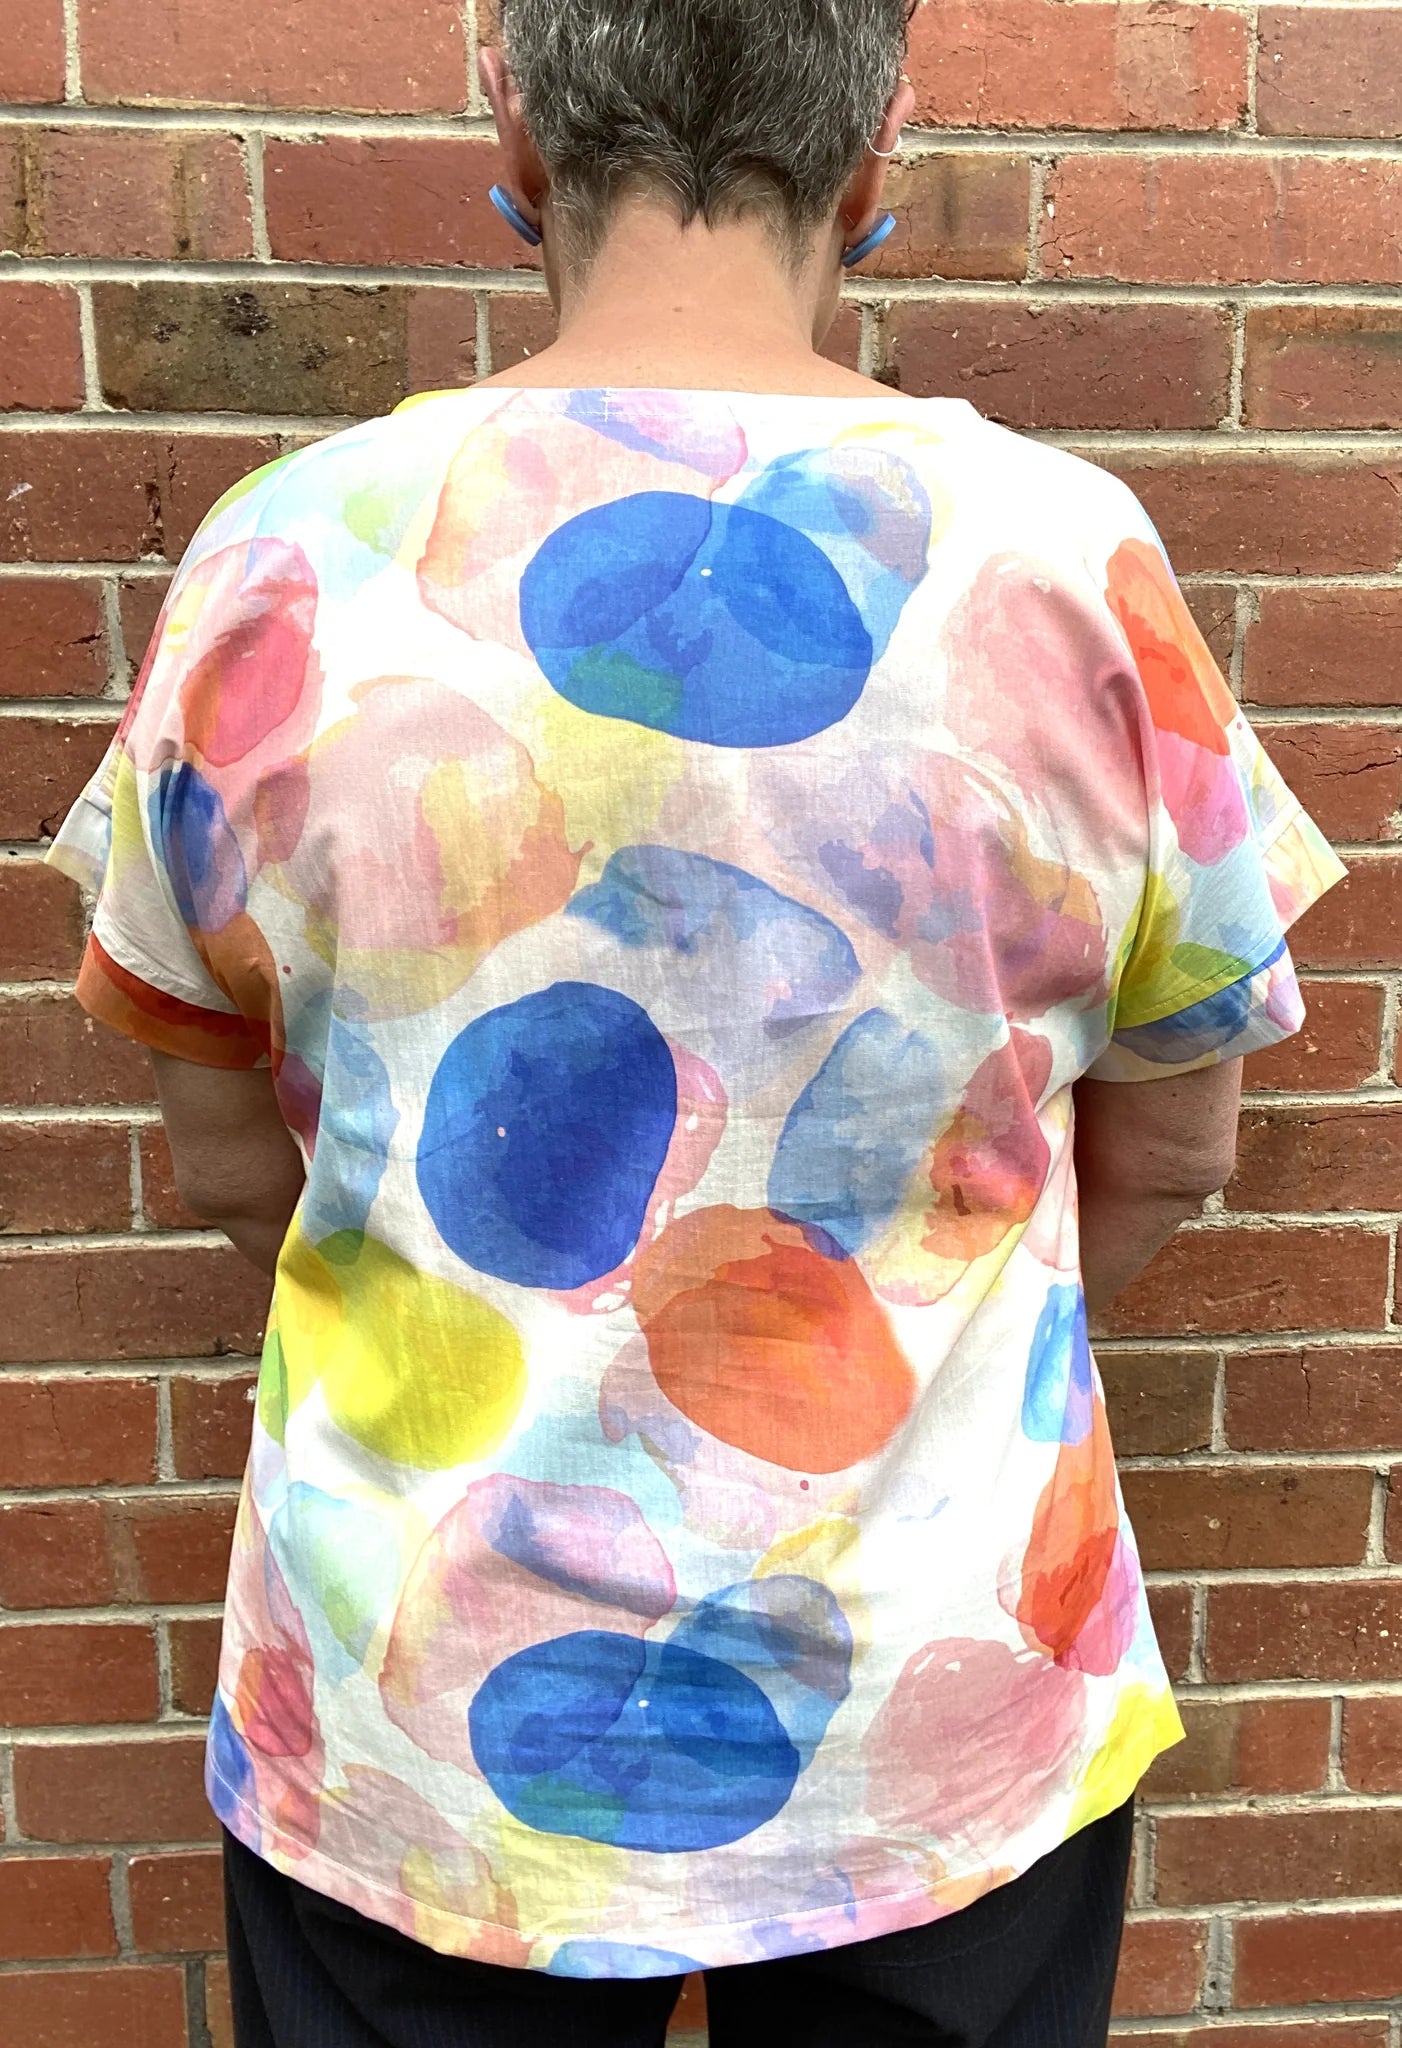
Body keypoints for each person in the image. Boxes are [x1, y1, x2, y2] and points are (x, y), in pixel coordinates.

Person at [47, 3, 1345, 2042]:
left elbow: (224, 1159)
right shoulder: (1067, 564)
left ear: (513, 117)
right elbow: (1173, 1148)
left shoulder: (278, 559)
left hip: (420, 1725)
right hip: (921, 1718)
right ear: (879, 141)